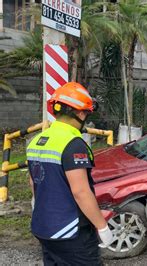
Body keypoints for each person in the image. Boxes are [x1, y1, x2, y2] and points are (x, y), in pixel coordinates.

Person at [27, 82, 114, 265]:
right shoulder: (73, 144)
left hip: (43, 227)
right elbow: (80, 192)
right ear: (80, 112)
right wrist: (102, 227)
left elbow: (33, 183)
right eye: (87, 113)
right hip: (70, 232)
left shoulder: (36, 141)